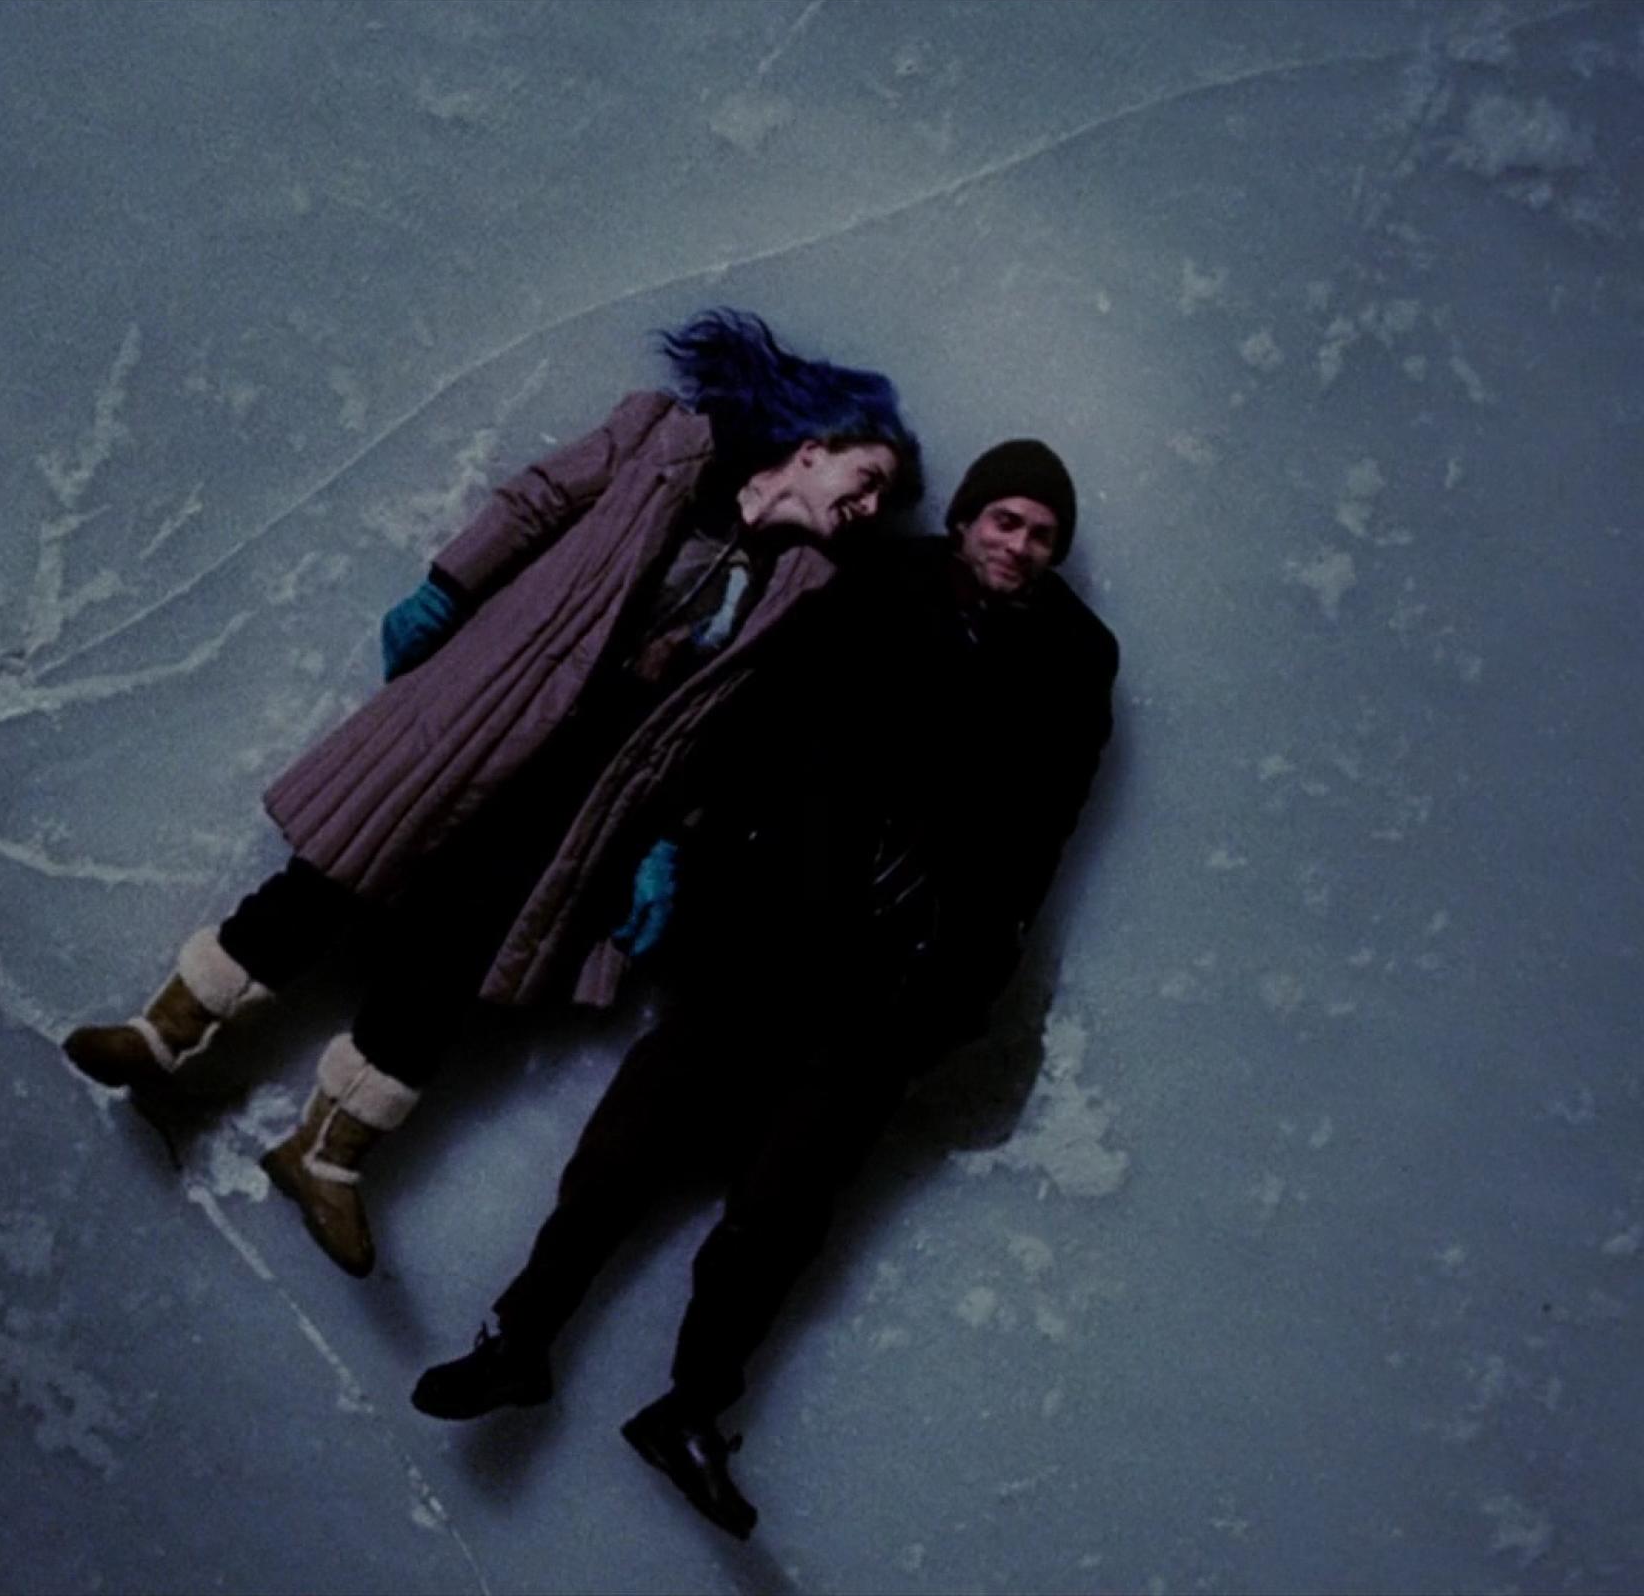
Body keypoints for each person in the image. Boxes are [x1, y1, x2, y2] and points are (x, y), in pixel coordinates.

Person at [58, 308, 924, 1277]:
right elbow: (537, 502)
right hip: (482, 711)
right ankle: (162, 1033)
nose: (868, 506)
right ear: (812, 449)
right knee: (334, 874)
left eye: (883, 501)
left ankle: (327, 1155)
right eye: (867, 479)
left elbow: (729, 735)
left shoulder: (803, 587)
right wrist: (448, 587)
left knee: (451, 960)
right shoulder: (659, 439)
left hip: (587, 792)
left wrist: (667, 841)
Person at [408, 440, 1119, 1540]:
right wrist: (700, 853)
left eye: (1042, 534)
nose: (1020, 547)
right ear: (967, 520)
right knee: (628, 1147)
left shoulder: (1075, 659)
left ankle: (690, 1409)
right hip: (772, 926)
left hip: (899, 976)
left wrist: (970, 975)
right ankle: (519, 1336)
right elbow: (766, 720)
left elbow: (1041, 838)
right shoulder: (878, 587)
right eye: (1005, 521)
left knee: (783, 1209)